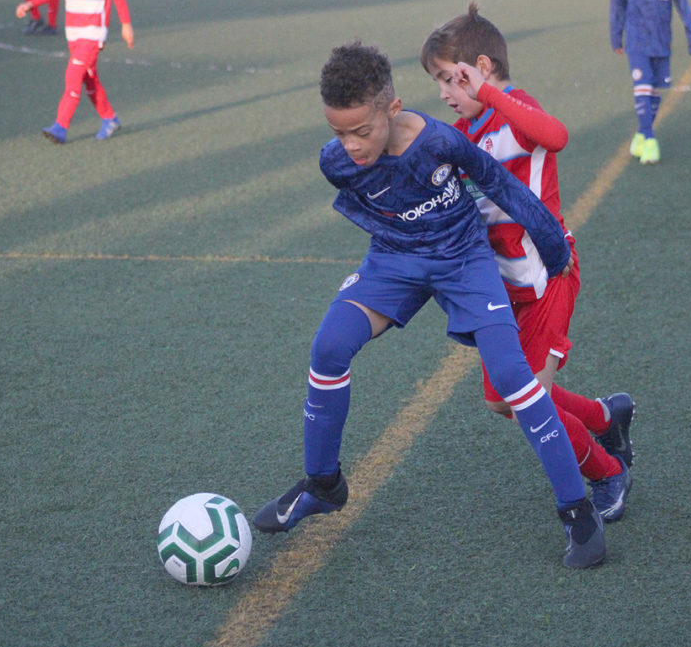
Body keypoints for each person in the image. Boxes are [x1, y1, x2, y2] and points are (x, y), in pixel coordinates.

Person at [252, 41, 606, 569]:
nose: (349, 144)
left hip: (465, 262)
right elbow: (365, 205)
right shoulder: (336, 162)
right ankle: (323, 484)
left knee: (512, 378)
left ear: (392, 109)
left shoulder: (440, 141)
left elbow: (505, 188)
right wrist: (396, 247)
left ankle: (578, 512)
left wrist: (554, 251)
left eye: (361, 130)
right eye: (338, 132)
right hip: (395, 261)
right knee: (328, 347)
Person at [420, 3, 634, 523]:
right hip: (504, 289)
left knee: (527, 398)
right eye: (441, 83)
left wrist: (490, 94)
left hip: (547, 278)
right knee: (502, 401)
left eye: (453, 79)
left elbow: (555, 136)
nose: (447, 93)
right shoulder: (464, 133)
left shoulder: (512, 110)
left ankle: (606, 473)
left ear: (482, 69)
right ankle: (606, 415)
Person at [15, 0, 135, 144]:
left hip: (93, 34)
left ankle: (60, 127)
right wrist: (30, 4)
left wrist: (126, 25)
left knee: (73, 75)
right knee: (90, 79)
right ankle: (110, 118)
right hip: (73, 34)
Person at [610, 0, 691, 165]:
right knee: (642, 87)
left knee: (655, 91)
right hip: (637, 41)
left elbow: (681, 0)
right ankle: (650, 140)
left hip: (662, 41)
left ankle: (641, 135)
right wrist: (616, 34)